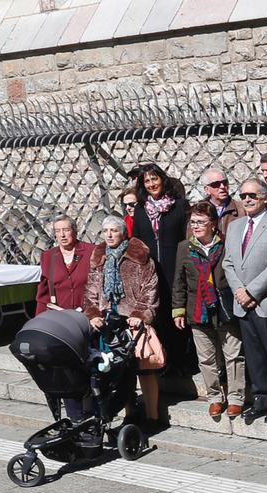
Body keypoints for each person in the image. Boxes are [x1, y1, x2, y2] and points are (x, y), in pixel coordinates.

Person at [224, 178, 267, 427]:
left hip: (266, 302)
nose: (248, 199)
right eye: (243, 195)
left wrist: (251, 292)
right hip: (243, 304)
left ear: (265, 197)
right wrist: (239, 291)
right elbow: (228, 263)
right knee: (254, 356)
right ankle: (261, 399)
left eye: (253, 194)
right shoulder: (235, 227)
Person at [83, 217, 161, 422]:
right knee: (118, 370)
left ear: (123, 233)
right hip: (108, 320)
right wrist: (93, 314)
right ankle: (129, 413)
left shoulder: (141, 258)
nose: (109, 235)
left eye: (114, 230)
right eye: (105, 230)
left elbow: (150, 289)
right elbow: (91, 291)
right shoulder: (99, 259)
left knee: (144, 370)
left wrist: (139, 314)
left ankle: (153, 416)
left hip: (132, 321)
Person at [172, 202, 244, 420]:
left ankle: (236, 397)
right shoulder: (185, 247)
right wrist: (178, 310)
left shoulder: (226, 244)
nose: (196, 226)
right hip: (198, 309)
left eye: (201, 222)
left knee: (233, 355)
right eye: (193, 222)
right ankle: (214, 397)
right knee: (206, 358)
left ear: (213, 224)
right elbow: (179, 281)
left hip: (225, 308)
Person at [129, 163, 188, 412]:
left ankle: (183, 362)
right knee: (159, 316)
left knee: (178, 314)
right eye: (147, 182)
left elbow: (185, 237)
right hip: (152, 271)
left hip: (175, 266)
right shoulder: (141, 210)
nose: (152, 185)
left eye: (155, 179)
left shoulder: (179, 206)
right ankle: (163, 362)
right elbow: (139, 241)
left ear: (162, 180)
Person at [35, 215, 94, 317]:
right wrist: (39, 319)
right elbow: (43, 294)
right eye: (58, 231)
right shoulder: (48, 256)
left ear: (75, 231)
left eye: (66, 230)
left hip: (87, 315)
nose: (62, 235)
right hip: (59, 316)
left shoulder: (91, 252)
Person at [196, 167, 240, 239]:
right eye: (216, 184)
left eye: (225, 183)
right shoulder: (198, 211)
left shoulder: (241, 210)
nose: (222, 187)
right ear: (207, 190)